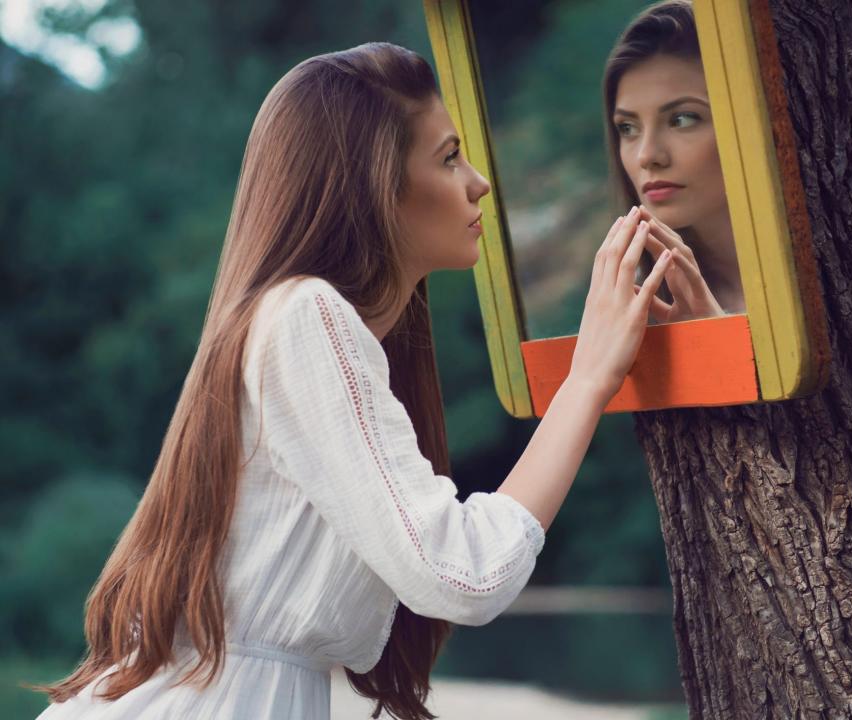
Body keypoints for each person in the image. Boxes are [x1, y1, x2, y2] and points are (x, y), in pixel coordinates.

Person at [34, 43, 672, 720]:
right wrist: (588, 379)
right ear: (375, 187)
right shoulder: (307, 316)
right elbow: (464, 571)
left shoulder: (307, 325)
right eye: (449, 157)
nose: (478, 182)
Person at [603, 0, 746, 320]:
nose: (647, 156)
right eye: (628, 128)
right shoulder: (635, 312)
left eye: (682, 119)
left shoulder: (848, 280)